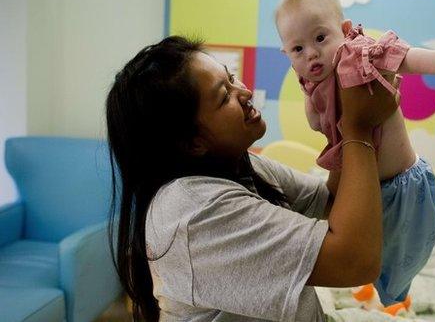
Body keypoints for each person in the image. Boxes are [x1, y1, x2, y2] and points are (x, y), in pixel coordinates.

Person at [106, 36, 400, 321]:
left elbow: (330, 201)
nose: (244, 93)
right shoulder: (193, 211)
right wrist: (358, 128)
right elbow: (356, 261)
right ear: (193, 142)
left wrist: (339, 121)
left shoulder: (243, 165)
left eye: (232, 78)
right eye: (224, 98)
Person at [274, 0, 435, 306]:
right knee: (367, 259)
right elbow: (317, 123)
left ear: (345, 30)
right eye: (297, 49)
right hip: (365, 193)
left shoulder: (357, 56)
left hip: (404, 185)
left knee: (405, 257)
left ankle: (401, 299)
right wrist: (314, 103)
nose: (311, 53)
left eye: (320, 38)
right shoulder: (311, 81)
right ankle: (375, 298)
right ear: (287, 53)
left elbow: (401, 57)